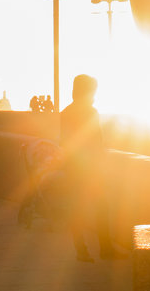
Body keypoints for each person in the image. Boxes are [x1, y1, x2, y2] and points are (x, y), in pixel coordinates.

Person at [59, 74, 121, 261]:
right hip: (87, 170)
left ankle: (84, 250)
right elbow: (96, 141)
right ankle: (103, 249)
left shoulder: (67, 112)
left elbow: (66, 142)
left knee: (80, 210)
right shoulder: (89, 112)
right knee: (99, 208)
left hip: (76, 169)